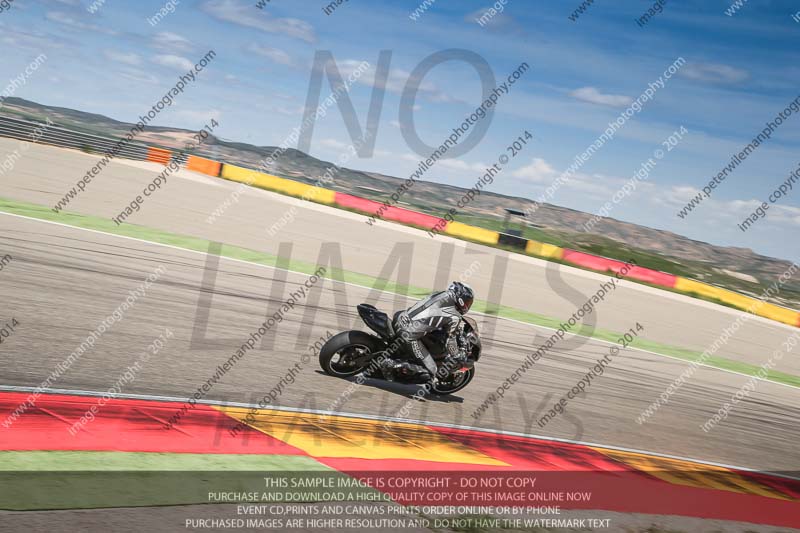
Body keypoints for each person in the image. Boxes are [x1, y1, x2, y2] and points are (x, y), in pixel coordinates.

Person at [379, 281, 474, 384]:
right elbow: (450, 342)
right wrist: (457, 355)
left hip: (401, 317)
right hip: (408, 334)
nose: (467, 305)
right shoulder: (455, 316)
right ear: (461, 299)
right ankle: (391, 364)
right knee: (431, 371)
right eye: (467, 302)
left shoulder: (439, 294)